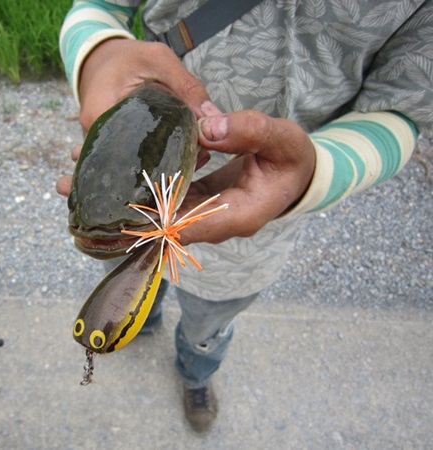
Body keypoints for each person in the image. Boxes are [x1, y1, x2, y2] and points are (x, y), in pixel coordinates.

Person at [57, 0, 433, 432]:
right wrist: (98, 55)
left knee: (207, 323)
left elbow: (403, 108)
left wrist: (313, 172)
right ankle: (143, 321)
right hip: (128, 236)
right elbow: (99, 6)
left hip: (254, 237)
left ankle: (196, 371)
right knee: (137, 281)